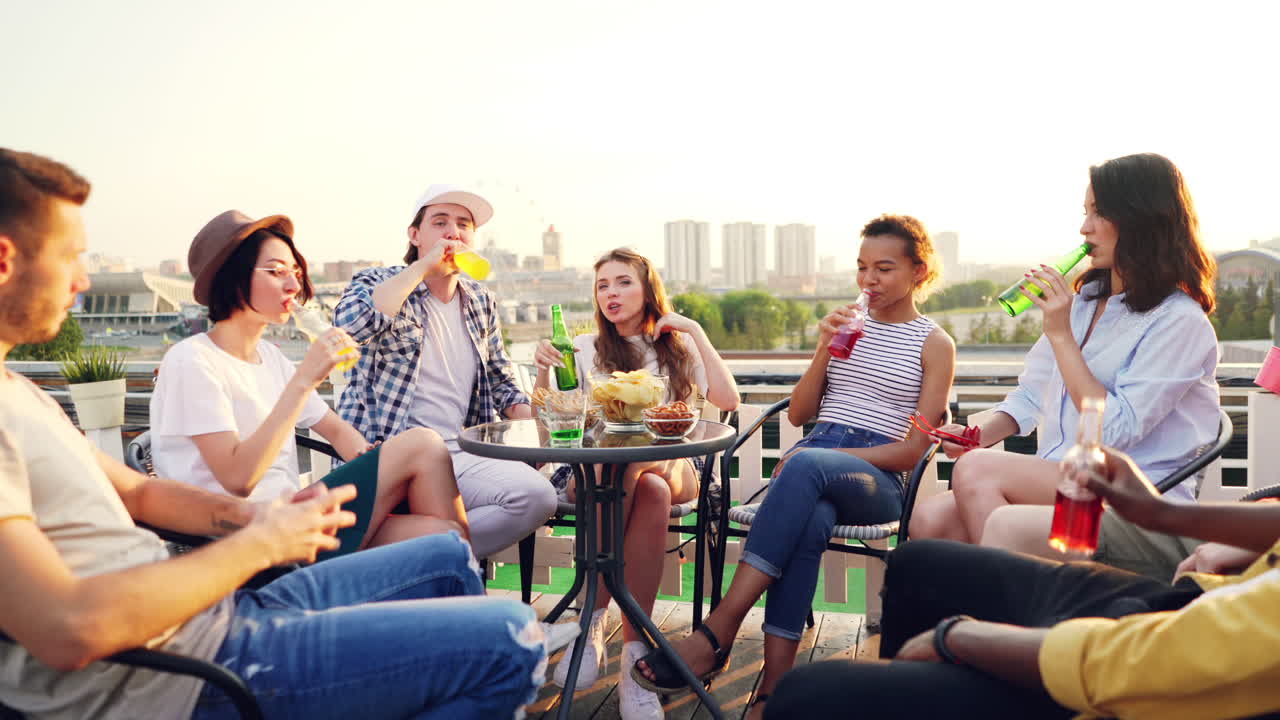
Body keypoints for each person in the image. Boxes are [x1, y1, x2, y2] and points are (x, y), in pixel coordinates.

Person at [0, 149, 572, 719]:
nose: (85, 277)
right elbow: (69, 627)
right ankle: (432, 663)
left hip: (224, 596)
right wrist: (263, 537)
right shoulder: (194, 360)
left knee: (449, 554)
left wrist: (279, 518)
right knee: (511, 642)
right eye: (72, 255)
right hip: (186, 659)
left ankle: (423, 661)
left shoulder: (22, 395)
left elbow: (139, 492)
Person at [634, 215, 955, 720]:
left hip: (878, 474)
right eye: (862, 267)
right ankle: (773, 692)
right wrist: (823, 350)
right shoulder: (847, 327)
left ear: (919, 270)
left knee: (804, 466)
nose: (869, 280)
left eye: (884, 269)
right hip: (816, 462)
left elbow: (913, 451)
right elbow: (802, 414)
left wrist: (822, 460)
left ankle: (718, 629)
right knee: (811, 521)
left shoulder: (935, 344)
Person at [763, 447, 1280, 720]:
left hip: (1161, 656)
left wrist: (961, 637)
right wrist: (1162, 513)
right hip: (1205, 592)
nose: (1082, 237)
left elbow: (1145, 662)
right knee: (918, 563)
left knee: (803, 695)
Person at [910, 153, 1220, 562]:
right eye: (1085, 211)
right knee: (930, 519)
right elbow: (1030, 396)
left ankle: (1028, 599)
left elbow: (1113, 433)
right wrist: (976, 436)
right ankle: (1014, 597)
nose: (1084, 227)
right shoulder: (1085, 302)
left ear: (1141, 219)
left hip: (1134, 495)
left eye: (1099, 212)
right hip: (1059, 476)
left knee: (978, 471)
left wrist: (1060, 336)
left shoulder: (1180, 322)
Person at [150, 210, 468, 560]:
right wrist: (304, 380)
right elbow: (238, 480)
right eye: (276, 272)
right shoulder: (192, 361)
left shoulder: (270, 358)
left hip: (297, 519)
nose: (293, 285)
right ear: (232, 277)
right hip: (247, 540)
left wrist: (377, 464)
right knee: (424, 443)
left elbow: (337, 431)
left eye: (295, 273)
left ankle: (456, 603)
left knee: (447, 536)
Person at [531, 247, 739, 719]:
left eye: (623, 282)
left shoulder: (675, 346)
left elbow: (727, 398)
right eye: (603, 285)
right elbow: (549, 434)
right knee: (646, 490)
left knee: (640, 473)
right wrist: (546, 368)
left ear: (648, 289)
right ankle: (634, 657)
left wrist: (695, 331)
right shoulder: (583, 349)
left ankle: (589, 622)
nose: (611, 293)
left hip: (673, 466)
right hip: (595, 474)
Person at [334, 185, 557, 559]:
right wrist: (424, 268)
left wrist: (537, 417)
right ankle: (433, 562)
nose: (453, 232)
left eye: (463, 225)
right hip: (388, 454)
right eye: (440, 222)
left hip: (461, 452)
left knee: (536, 496)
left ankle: (416, 556)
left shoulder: (480, 301)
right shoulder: (378, 282)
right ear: (415, 234)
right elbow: (350, 327)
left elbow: (502, 384)